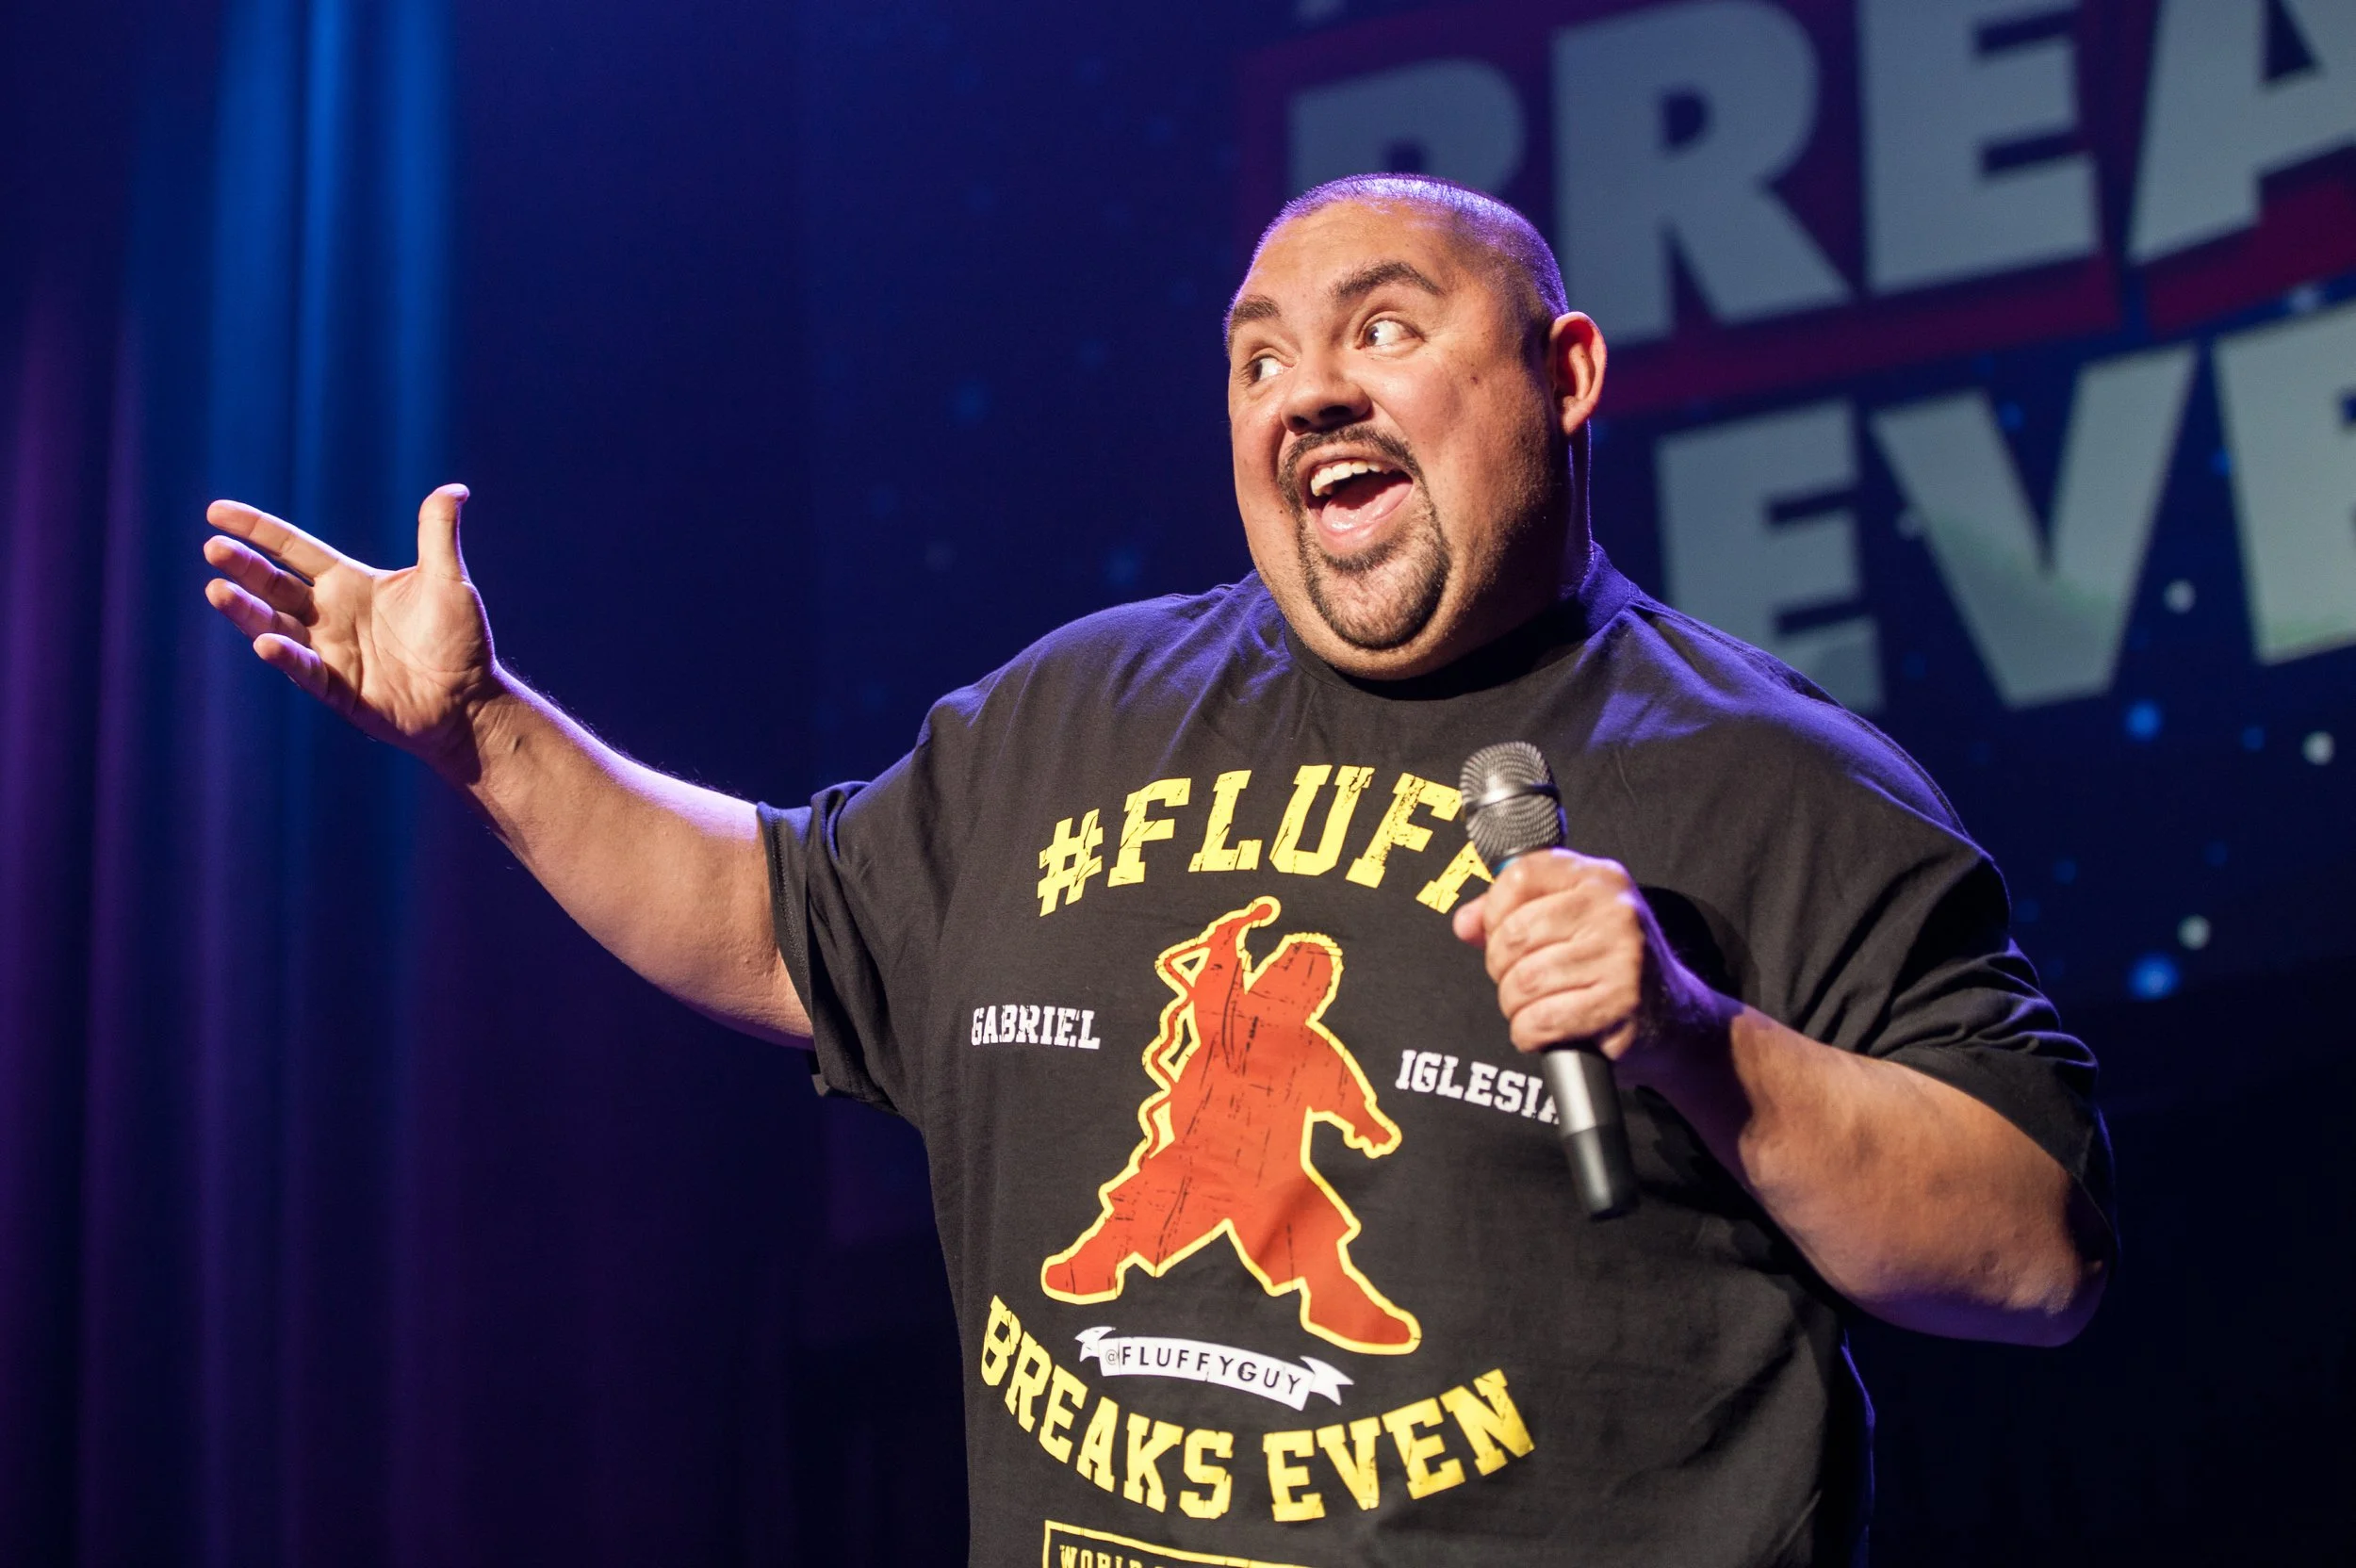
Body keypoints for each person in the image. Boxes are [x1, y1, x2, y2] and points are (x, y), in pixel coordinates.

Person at [202, 174, 2113, 1566]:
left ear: (1564, 371)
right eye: (1259, 358)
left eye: (1380, 329)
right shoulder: (1077, 713)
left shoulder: (1768, 778)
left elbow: (2029, 1248)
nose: (1306, 393)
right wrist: (482, 732)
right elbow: (774, 926)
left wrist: (1706, 1043)